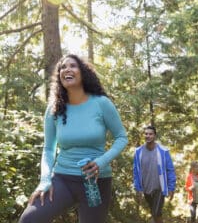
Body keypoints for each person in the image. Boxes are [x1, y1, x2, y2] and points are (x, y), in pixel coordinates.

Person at [19, 54, 128, 223]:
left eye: (73, 66)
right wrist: (45, 180)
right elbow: (49, 148)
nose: (67, 69)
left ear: (83, 72)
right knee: (30, 219)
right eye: (62, 67)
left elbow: (121, 137)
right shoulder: (55, 108)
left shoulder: (101, 103)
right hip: (63, 179)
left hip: (96, 183)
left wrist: (101, 161)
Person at [133, 125, 176, 223]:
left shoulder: (163, 151)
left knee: (156, 212)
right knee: (156, 213)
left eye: (150, 134)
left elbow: (170, 170)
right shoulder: (138, 152)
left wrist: (171, 188)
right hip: (146, 188)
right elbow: (136, 171)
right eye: (146, 134)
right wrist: (138, 188)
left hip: (159, 188)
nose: (148, 136)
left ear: (155, 136)